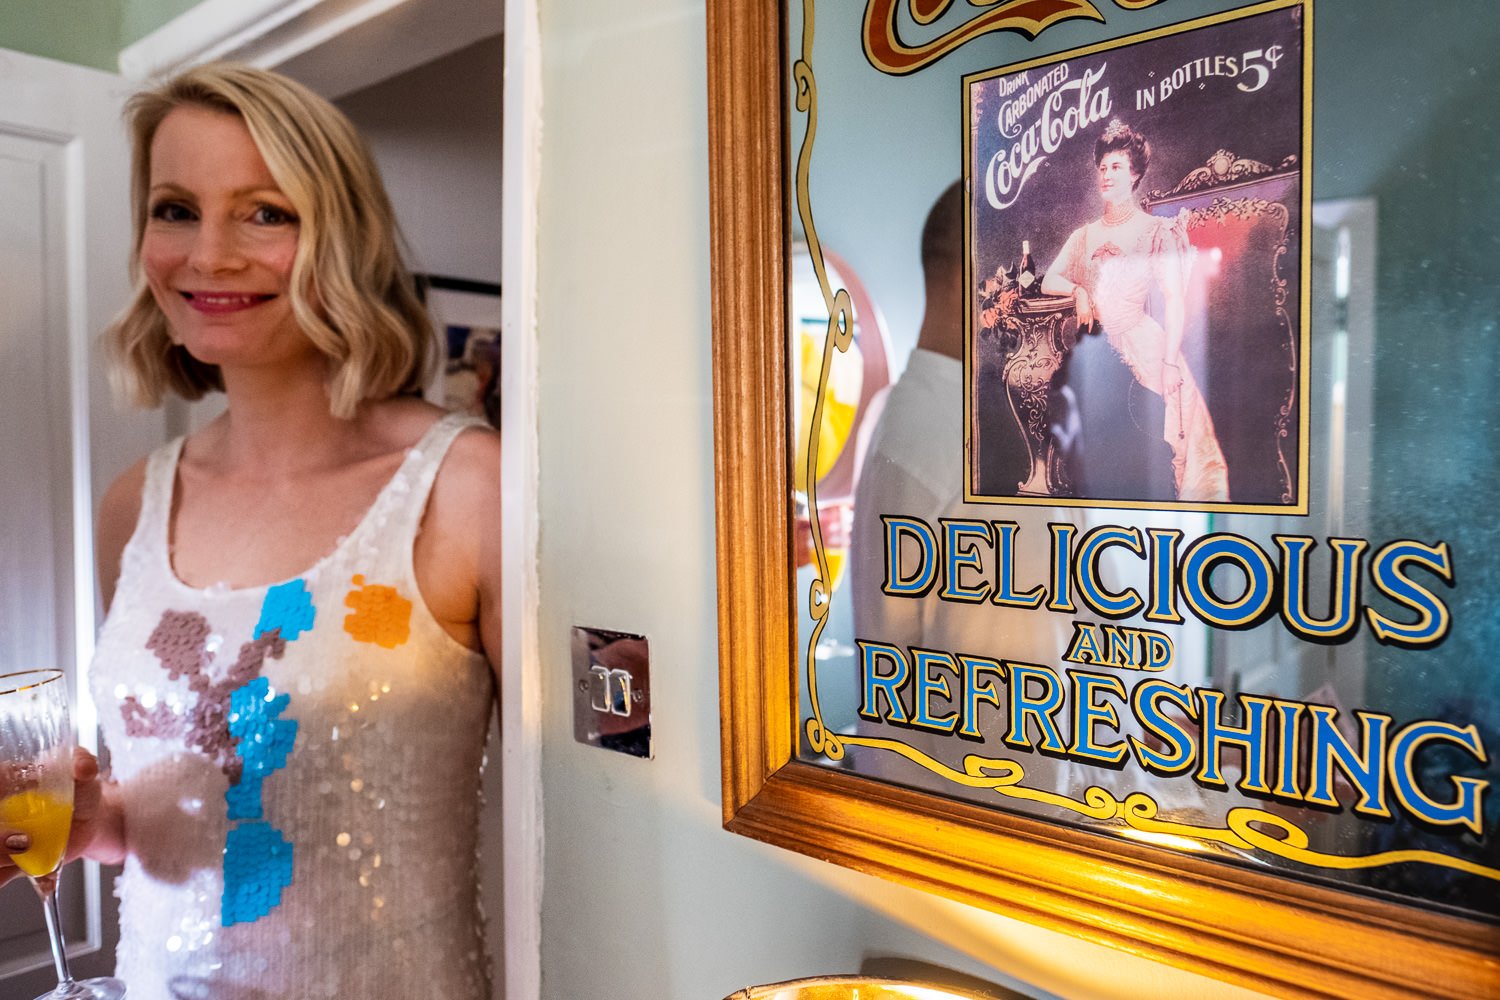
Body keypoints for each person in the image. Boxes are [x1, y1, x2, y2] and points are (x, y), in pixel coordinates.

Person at [0, 63, 501, 999]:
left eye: (265, 212)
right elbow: (170, 812)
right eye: (176, 208)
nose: (208, 254)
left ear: (340, 237)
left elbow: (581, 826)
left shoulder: (464, 487)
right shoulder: (135, 505)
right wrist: (83, 818)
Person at [1040, 118, 1229, 502]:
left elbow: (1175, 300)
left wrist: (1171, 362)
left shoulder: (1156, 231)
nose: (1107, 175)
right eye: (1103, 168)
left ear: (1136, 173)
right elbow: (1049, 281)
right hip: (1095, 348)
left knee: (1173, 437)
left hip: (1143, 344)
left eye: (1117, 167)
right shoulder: (1084, 235)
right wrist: (1078, 290)